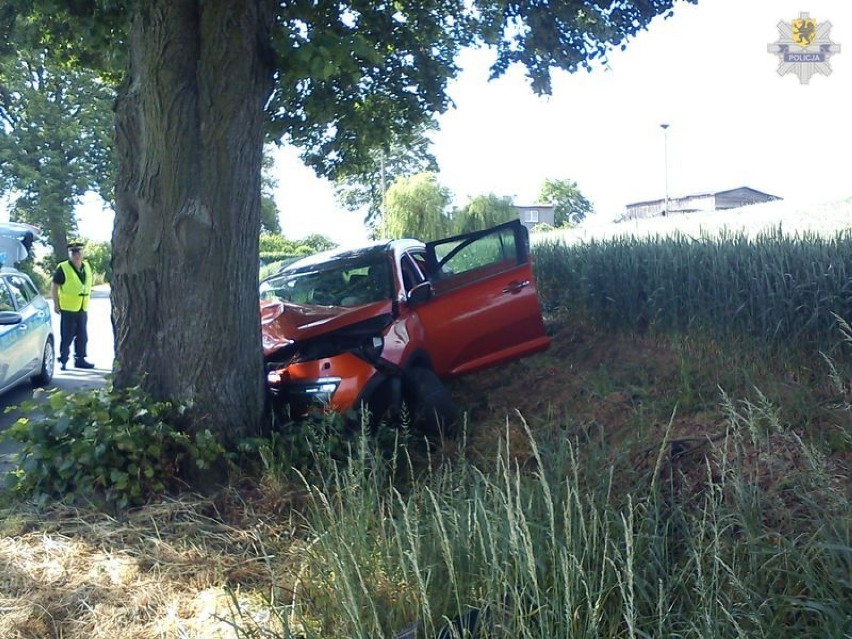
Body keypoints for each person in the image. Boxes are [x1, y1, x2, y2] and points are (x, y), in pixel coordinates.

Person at [51, 241, 95, 370]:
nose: (76, 255)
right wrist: (56, 304)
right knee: (67, 336)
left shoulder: (86, 266)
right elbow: (54, 287)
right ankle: (63, 359)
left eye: (79, 252)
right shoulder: (63, 267)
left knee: (82, 335)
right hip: (68, 308)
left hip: (82, 306)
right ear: (70, 254)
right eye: (73, 252)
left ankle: (80, 359)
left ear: (83, 253)